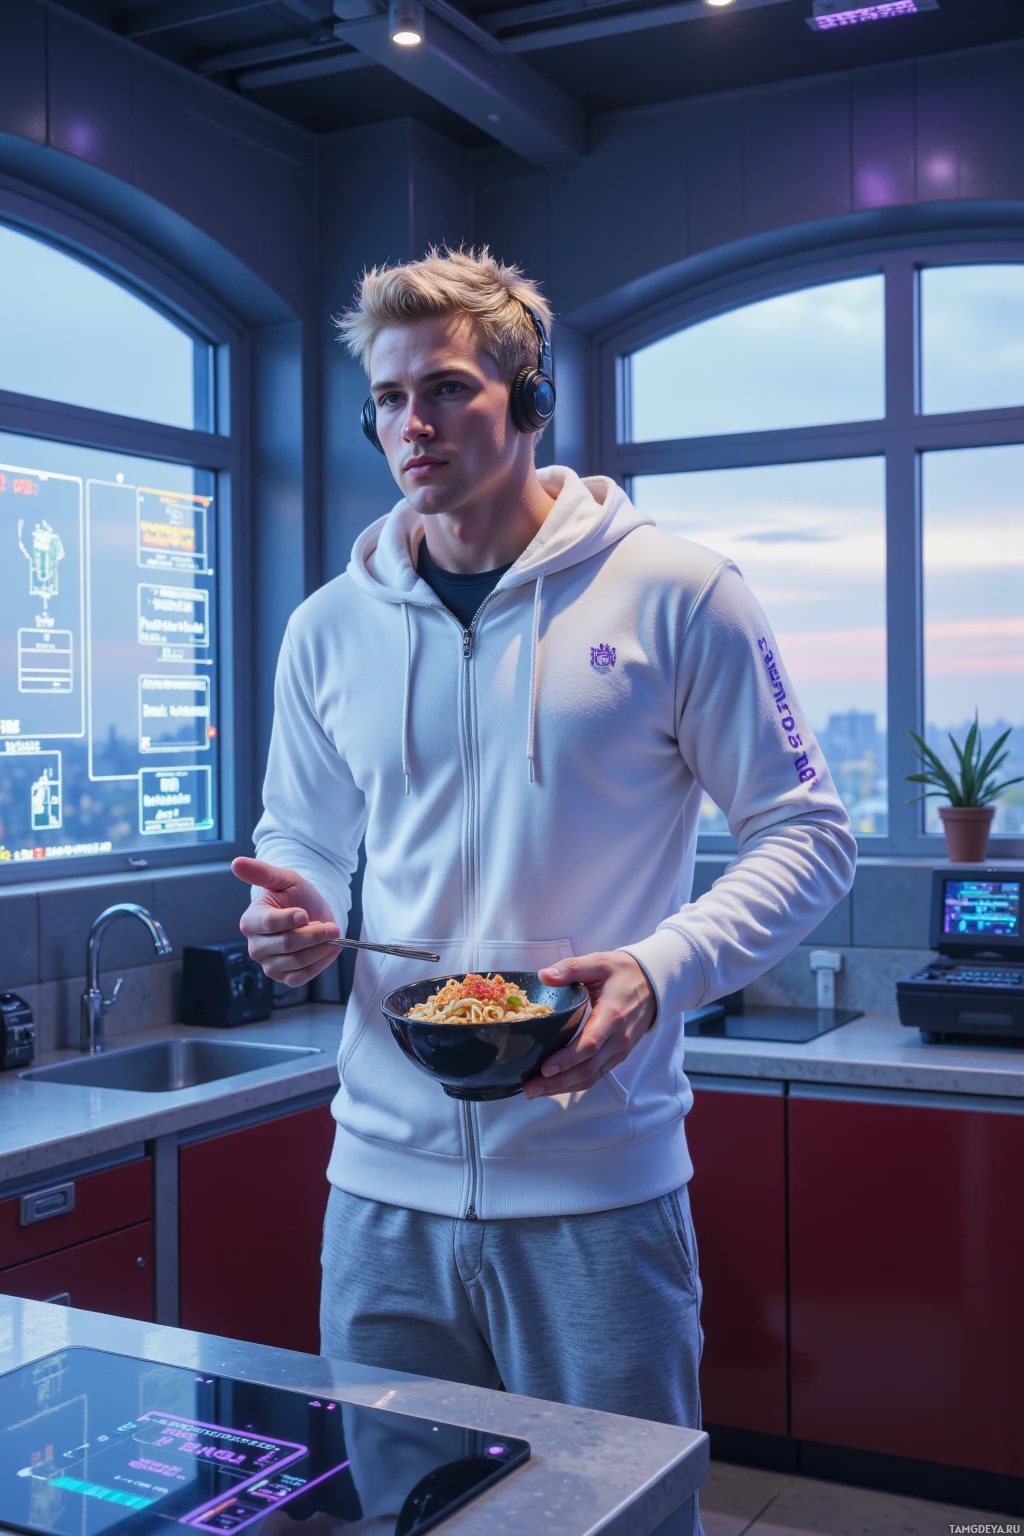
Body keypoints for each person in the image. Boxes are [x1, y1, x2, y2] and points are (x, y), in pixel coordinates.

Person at [233, 248, 855, 1512]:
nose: (414, 423)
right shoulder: (326, 627)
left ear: (528, 403)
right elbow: (297, 834)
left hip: (596, 1191)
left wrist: (655, 968)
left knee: (613, 1518)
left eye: (449, 389)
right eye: (391, 398)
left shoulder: (682, 594)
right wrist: (292, 913)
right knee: (408, 1512)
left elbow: (808, 834)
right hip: (379, 1193)